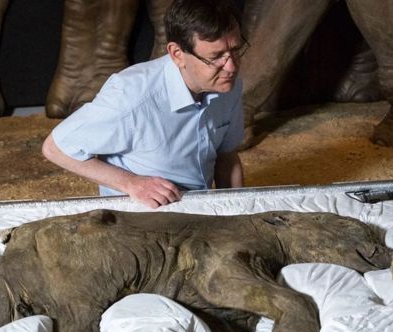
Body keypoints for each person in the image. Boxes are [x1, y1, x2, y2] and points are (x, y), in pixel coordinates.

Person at [42, 0, 248, 208]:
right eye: (216, 57)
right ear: (177, 55)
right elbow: (55, 148)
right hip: (138, 217)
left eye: (235, 50)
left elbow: (226, 156)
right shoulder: (131, 96)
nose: (231, 67)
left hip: (199, 208)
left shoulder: (227, 84)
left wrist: (236, 212)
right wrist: (132, 184)